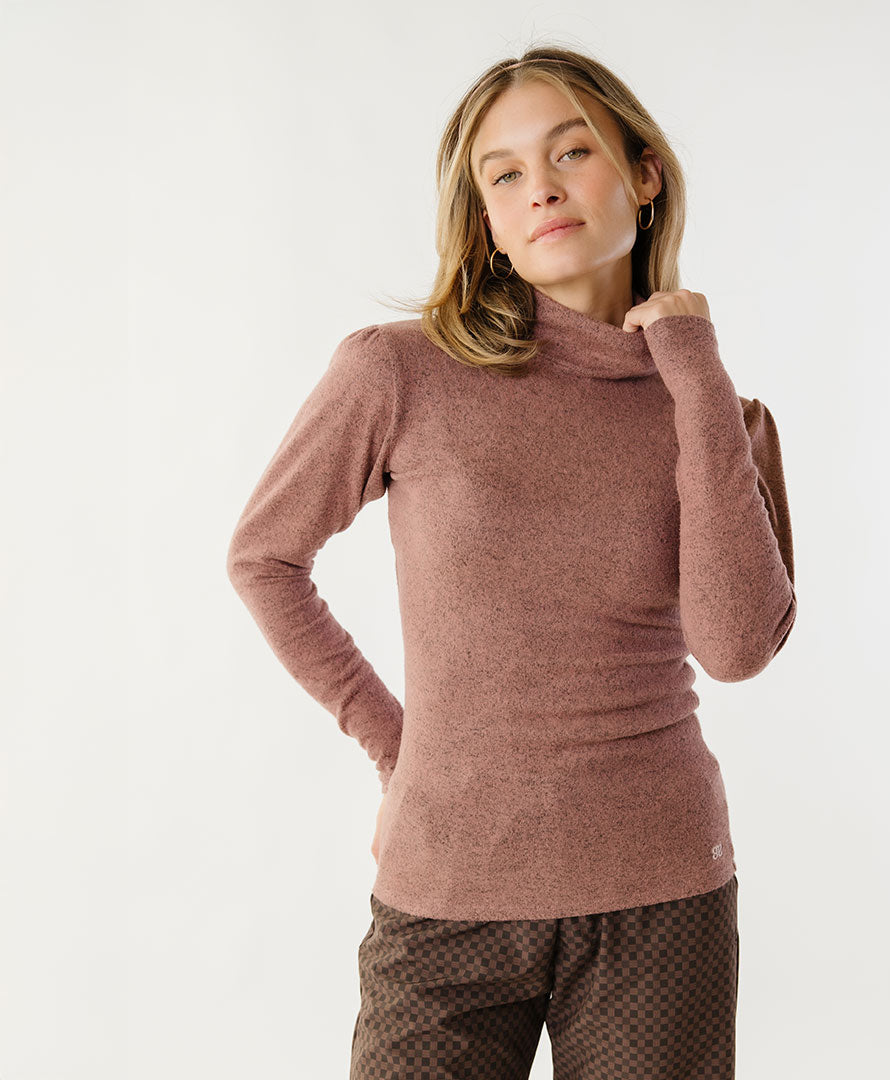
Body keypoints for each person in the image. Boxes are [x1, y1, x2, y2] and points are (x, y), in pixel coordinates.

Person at [226, 43, 797, 1080]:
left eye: (572, 151)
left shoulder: (719, 413)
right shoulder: (399, 372)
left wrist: (694, 371)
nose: (541, 188)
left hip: (662, 889)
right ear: (486, 218)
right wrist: (395, 748)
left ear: (644, 173)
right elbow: (265, 558)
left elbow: (737, 648)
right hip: (448, 887)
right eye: (505, 173)